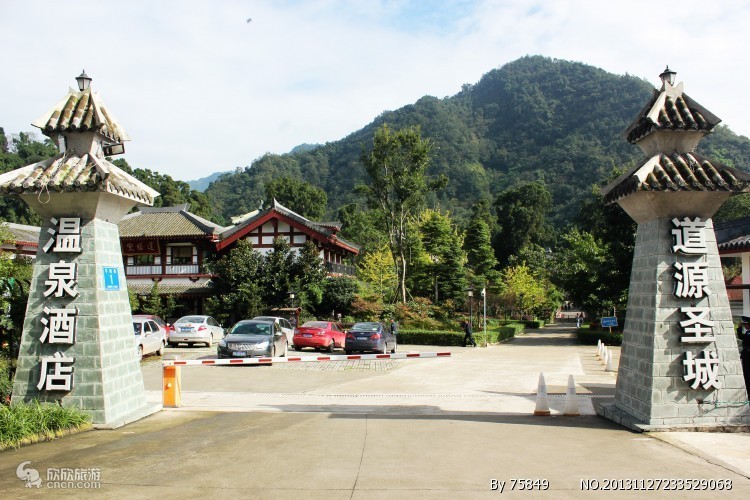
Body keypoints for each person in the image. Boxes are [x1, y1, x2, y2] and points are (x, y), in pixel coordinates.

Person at [739, 316, 750, 399]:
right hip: (746, 355)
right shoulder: (748, 333)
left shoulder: (749, 333)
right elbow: (741, 337)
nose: (745, 326)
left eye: (746, 324)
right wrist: (739, 328)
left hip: (748, 355)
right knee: (746, 374)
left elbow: (745, 338)